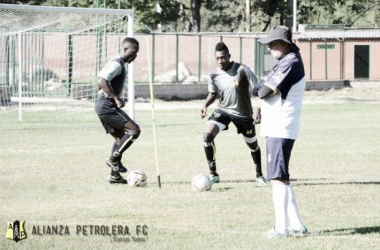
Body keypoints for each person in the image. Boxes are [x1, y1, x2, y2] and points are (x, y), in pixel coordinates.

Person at [252, 26, 308, 238]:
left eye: (273, 43)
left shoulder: (290, 62)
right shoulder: (283, 62)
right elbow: (256, 89)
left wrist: (260, 89)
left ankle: (280, 228)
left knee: (276, 177)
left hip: (280, 125)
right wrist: (259, 89)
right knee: (282, 177)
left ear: (285, 44)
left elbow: (263, 90)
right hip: (277, 125)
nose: (270, 47)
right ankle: (297, 226)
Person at [200, 42, 267, 186]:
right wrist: (205, 105)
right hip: (223, 110)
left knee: (253, 145)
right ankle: (213, 174)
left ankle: (259, 175)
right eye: (217, 58)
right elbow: (212, 94)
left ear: (229, 56)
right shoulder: (213, 75)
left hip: (243, 115)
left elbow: (259, 91)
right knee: (207, 135)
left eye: (223, 58)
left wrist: (258, 110)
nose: (220, 61)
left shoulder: (242, 70)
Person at [95, 37, 140, 184]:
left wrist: (100, 95)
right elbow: (102, 81)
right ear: (125, 49)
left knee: (120, 139)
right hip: (107, 105)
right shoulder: (117, 64)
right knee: (134, 130)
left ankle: (114, 176)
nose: (135, 56)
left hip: (103, 105)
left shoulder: (116, 62)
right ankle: (113, 159)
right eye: (133, 52)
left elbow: (99, 80)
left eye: (137, 53)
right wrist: (116, 98)